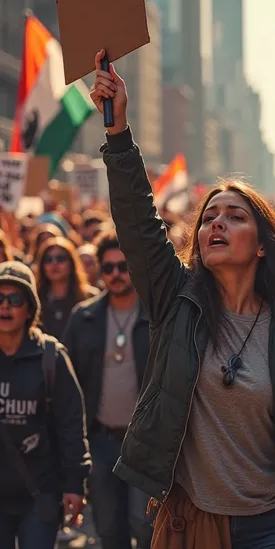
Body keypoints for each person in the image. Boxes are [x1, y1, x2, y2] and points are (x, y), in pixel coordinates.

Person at [90, 51, 275, 549]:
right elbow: (138, 225)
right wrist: (118, 132)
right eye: (211, 215)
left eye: (234, 216)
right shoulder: (177, 301)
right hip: (191, 523)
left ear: (260, 244)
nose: (217, 223)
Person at [65, 231, 152, 549]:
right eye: (108, 268)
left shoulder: (156, 317)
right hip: (100, 442)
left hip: (145, 443)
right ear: (99, 271)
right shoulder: (83, 317)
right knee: (108, 529)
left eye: (123, 266)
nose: (116, 274)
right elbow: (68, 390)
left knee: (144, 528)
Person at [0, 261, 90, 549]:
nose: (5, 307)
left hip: (39, 495)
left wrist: (75, 485)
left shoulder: (50, 357)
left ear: (30, 309)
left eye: (15, 300)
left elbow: (71, 424)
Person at [36, 236, 99, 342]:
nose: (54, 264)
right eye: (48, 259)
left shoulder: (90, 297)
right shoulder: (35, 299)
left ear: (71, 263)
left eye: (60, 258)